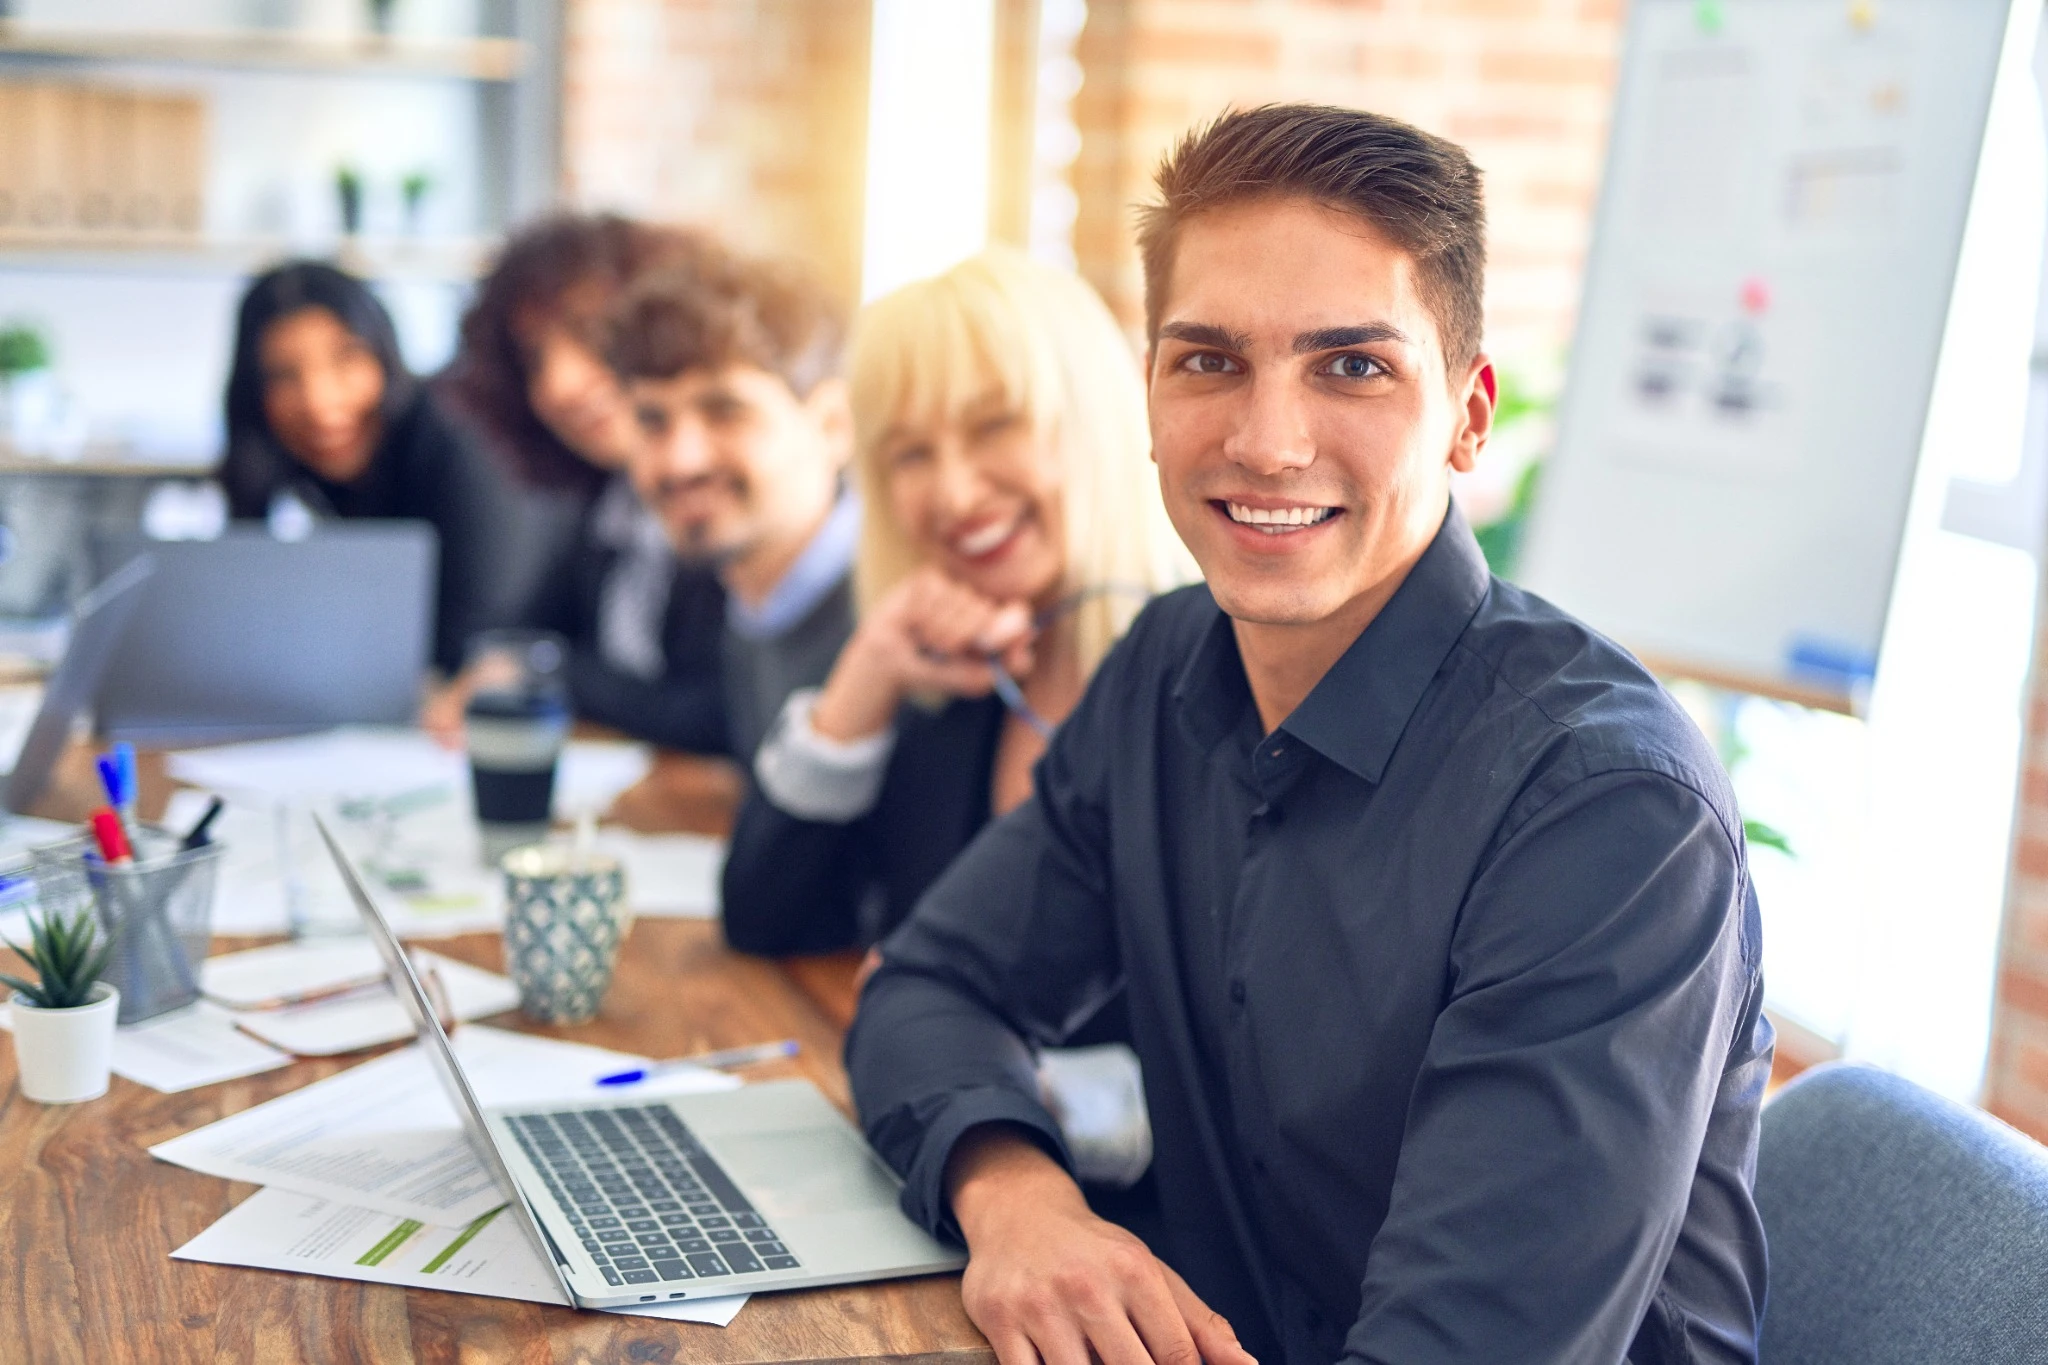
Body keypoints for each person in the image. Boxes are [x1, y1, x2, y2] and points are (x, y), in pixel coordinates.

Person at [846, 104, 1772, 1365]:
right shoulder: (1165, 665)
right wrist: (1020, 1203)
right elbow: (929, 987)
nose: (1266, 443)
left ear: (1467, 416)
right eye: (1208, 361)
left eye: (1352, 367)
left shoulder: (1608, 807)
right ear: (1150, 397)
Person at [720, 247, 1193, 958]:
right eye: (910, 453)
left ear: (1095, 418)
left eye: (994, 425)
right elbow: (767, 921)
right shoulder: (953, 678)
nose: (955, 494)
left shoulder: (1214, 675)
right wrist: (863, 679)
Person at [433, 214, 729, 753]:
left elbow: (722, 714)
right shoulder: (608, 503)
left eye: (589, 333)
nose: (558, 385)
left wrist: (551, 673)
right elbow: (527, 638)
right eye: (534, 360)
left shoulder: (730, 503)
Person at [218, 260, 538, 673]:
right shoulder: (322, 482)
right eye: (284, 376)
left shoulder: (460, 433)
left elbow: (470, 642)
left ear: (384, 355)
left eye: (346, 359)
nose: (319, 402)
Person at [607, 251, 856, 761]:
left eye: (726, 412)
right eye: (653, 421)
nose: (681, 461)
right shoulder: (749, 598)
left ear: (834, 425)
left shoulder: (905, 625)